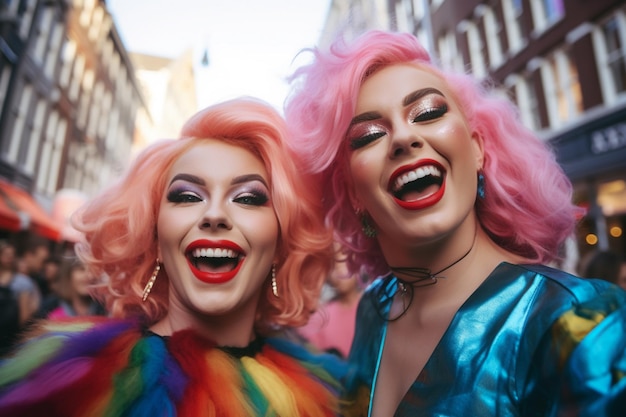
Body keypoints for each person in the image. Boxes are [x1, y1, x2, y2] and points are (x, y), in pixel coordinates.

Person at [284, 30, 626, 416]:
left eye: (428, 113)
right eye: (369, 135)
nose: (404, 137)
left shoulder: (581, 324)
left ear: (479, 149)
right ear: (354, 195)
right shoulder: (373, 310)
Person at [0, 98, 345, 416]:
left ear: (281, 241)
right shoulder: (69, 384)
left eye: (248, 198)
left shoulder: (324, 399)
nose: (214, 214)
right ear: (153, 237)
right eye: (187, 196)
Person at [298, 244, 364, 358]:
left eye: (345, 262)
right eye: (333, 266)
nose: (340, 271)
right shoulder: (320, 318)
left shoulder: (374, 306)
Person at [0, 241, 41, 355]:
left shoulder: (22, 281)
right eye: (6, 254)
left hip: (10, 339)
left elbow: (24, 317)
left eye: (11, 255)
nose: (9, 258)